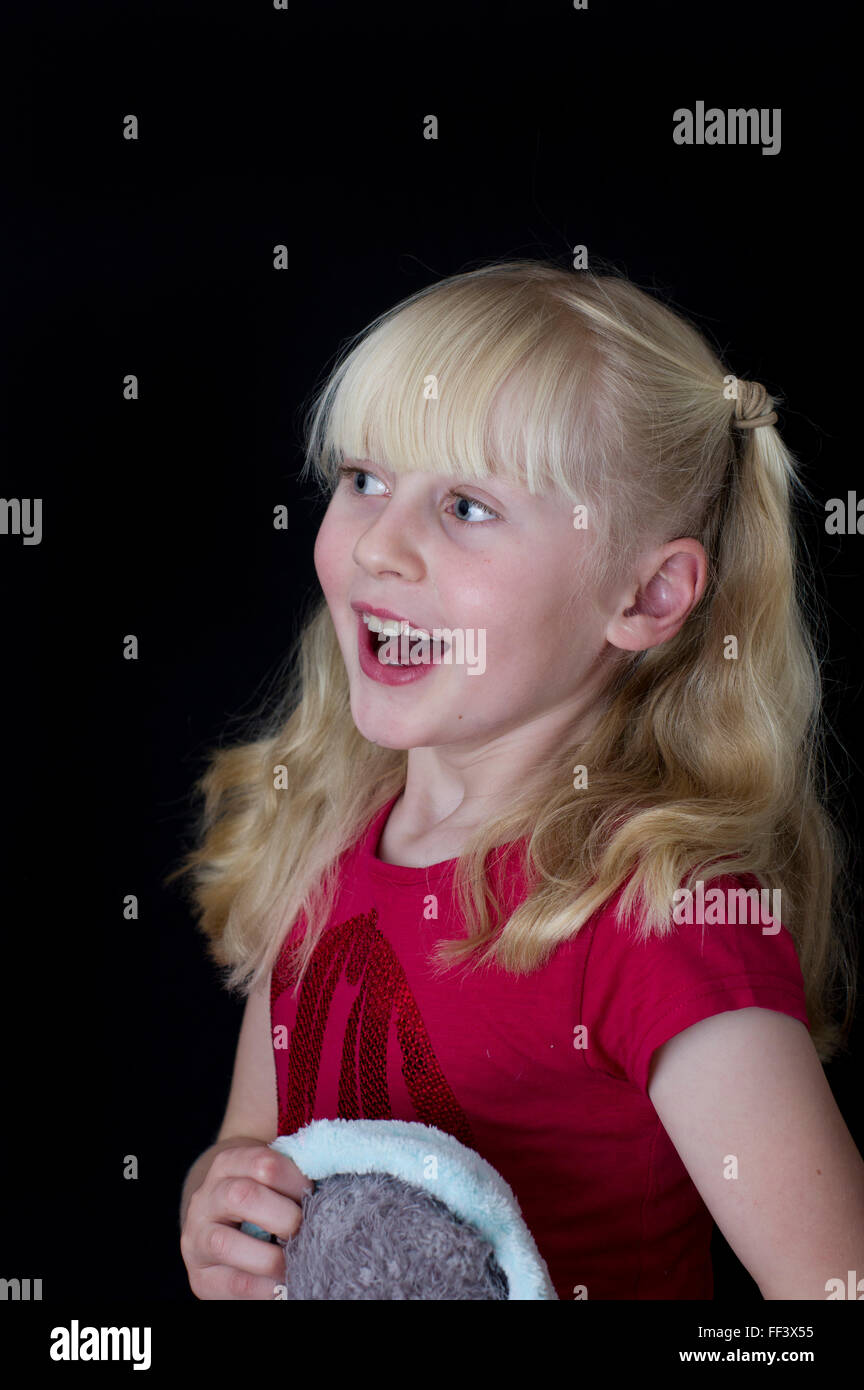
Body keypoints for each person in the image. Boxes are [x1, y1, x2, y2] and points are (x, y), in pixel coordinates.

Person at [174, 258, 864, 1300]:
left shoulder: (664, 917)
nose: (381, 547)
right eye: (364, 479)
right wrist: (217, 1214)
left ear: (645, 593)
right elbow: (248, 1152)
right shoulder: (318, 843)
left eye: (465, 505)